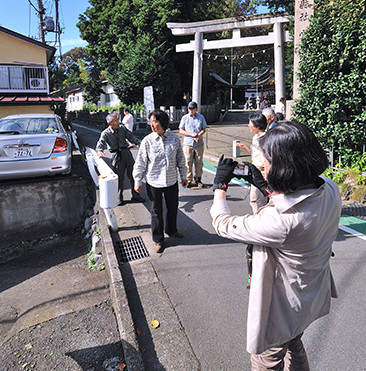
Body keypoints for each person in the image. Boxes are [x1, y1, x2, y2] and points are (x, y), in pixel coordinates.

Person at [211, 121, 341, 370]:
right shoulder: (330, 188)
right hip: (309, 293)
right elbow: (296, 197)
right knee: (294, 341)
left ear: (284, 168)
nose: (264, 166)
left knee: (266, 358)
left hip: (282, 304)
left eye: (267, 162)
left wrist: (220, 185)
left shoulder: (281, 221)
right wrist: (263, 185)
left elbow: (223, 224)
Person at [133, 109, 188, 253]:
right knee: (156, 211)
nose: (152, 125)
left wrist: (184, 175)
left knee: (172, 207)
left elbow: (180, 159)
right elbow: (140, 163)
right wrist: (137, 181)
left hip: (171, 181)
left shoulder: (174, 139)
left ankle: (171, 230)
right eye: (150, 122)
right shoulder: (147, 141)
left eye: (155, 121)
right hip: (153, 182)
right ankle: (158, 239)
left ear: (162, 122)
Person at [96, 112, 145, 206]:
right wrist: (99, 151)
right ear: (110, 123)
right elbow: (100, 144)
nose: (118, 122)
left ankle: (136, 195)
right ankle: (119, 198)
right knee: (119, 178)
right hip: (116, 155)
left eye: (117, 120)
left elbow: (131, 136)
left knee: (133, 174)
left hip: (126, 152)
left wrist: (137, 142)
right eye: (115, 121)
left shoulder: (122, 128)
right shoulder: (105, 133)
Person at [236, 113, 268, 213]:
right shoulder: (255, 137)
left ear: (257, 126)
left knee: (260, 201)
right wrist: (245, 147)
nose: (248, 125)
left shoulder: (265, 138)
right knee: (254, 200)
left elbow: (267, 159)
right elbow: (254, 155)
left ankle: (260, 223)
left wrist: (266, 176)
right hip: (256, 172)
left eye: (250, 123)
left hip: (262, 173)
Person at [179, 101, 207, 188]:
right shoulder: (185, 118)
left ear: (196, 109)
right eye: (189, 108)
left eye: (192, 109)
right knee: (188, 162)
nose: (191, 110)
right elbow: (181, 130)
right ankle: (188, 180)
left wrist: (199, 134)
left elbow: (204, 128)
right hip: (188, 143)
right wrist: (191, 134)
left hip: (199, 143)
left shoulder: (201, 117)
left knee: (199, 162)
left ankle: (198, 179)